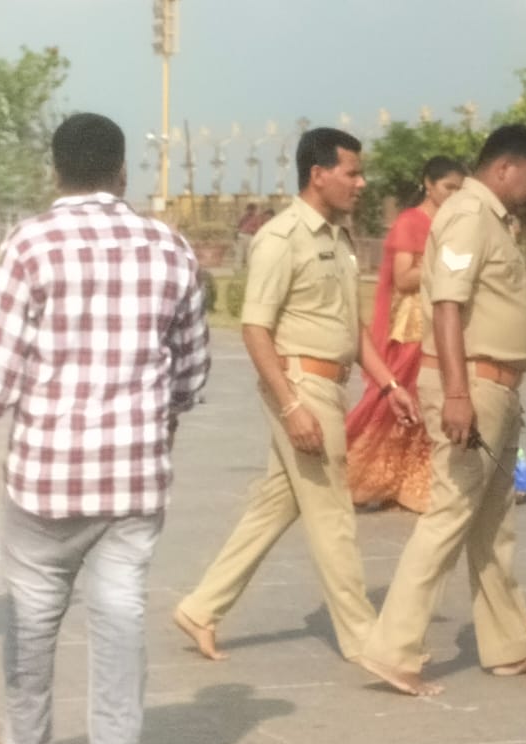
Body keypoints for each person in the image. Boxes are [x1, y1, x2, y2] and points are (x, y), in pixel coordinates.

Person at [0, 112, 210, 744]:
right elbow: (192, 372)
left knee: (32, 618)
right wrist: (157, 420)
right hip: (133, 477)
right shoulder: (170, 247)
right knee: (121, 620)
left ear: (55, 171)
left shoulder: (30, 243)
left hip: (45, 476)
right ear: (122, 172)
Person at [174, 127, 419, 662]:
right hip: (302, 386)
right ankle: (366, 640)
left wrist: (390, 385)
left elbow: (352, 328)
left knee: (276, 504)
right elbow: (255, 329)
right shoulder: (281, 238)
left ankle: (201, 607)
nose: (361, 183)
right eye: (352, 173)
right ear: (318, 175)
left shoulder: (337, 239)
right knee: (333, 518)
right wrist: (291, 406)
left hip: (329, 383)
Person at [352, 125, 526, 696]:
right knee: (451, 512)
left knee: (492, 521)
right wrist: (459, 394)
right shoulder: (469, 215)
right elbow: (446, 305)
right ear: (505, 167)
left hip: (497, 386)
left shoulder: (490, 219)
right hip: (474, 382)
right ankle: (394, 649)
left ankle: (509, 644)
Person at [346, 156, 467, 511]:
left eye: (459, 189)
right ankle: (363, 473)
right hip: (414, 324)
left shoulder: (456, 222)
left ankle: (420, 480)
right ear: (428, 184)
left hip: (444, 318)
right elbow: (403, 278)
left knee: (436, 400)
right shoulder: (411, 222)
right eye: (448, 187)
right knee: (401, 398)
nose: (454, 194)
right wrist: (443, 265)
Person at [234, 202, 262, 268]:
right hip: (242, 235)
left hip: (250, 236)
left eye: (252, 209)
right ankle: (238, 267)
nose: (250, 211)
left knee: (249, 253)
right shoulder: (244, 217)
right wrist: (237, 234)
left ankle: (249, 267)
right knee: (240, 252)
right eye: (249, 209)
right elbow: (238, 226)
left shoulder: (256, 218)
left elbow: (258, 228)